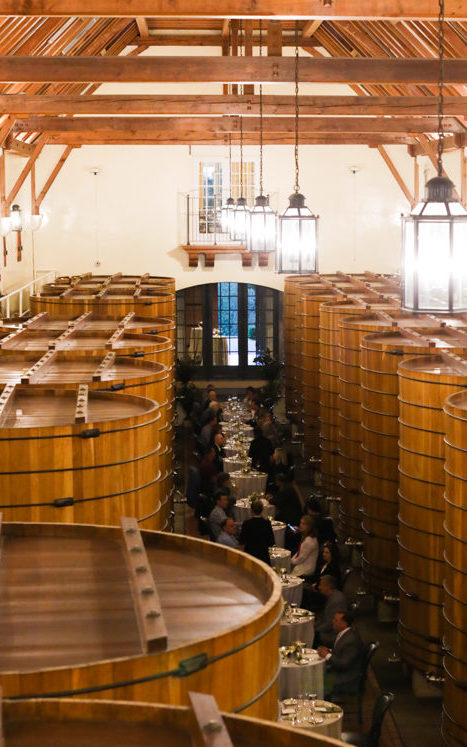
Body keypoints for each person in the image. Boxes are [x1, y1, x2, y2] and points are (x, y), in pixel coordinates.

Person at [317, 611, 364, 697]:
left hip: (347, 678)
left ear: (344, 623)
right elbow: (342, 651)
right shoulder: (345, 633)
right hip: (341, 672)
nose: (333, 621)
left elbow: (343, 664)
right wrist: (329, 651)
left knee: (315, 682)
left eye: (336, 620)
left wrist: (327, 655)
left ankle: (323, 705)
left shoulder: (351, 640)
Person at [314, 575, 348, 648]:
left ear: (328, 587)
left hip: (331, 634)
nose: (319, 587)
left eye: (321, 585)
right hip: (327, 628)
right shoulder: (333, 596)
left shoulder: (336, 601)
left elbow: (330, 624)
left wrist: (314, 630)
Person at [239, 500, 275, 565]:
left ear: (251, 510)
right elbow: (271, 542)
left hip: (250, 556)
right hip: (263, 556)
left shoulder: (247, 524)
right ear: (262, 510)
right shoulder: (266, 523)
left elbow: (242, 541)